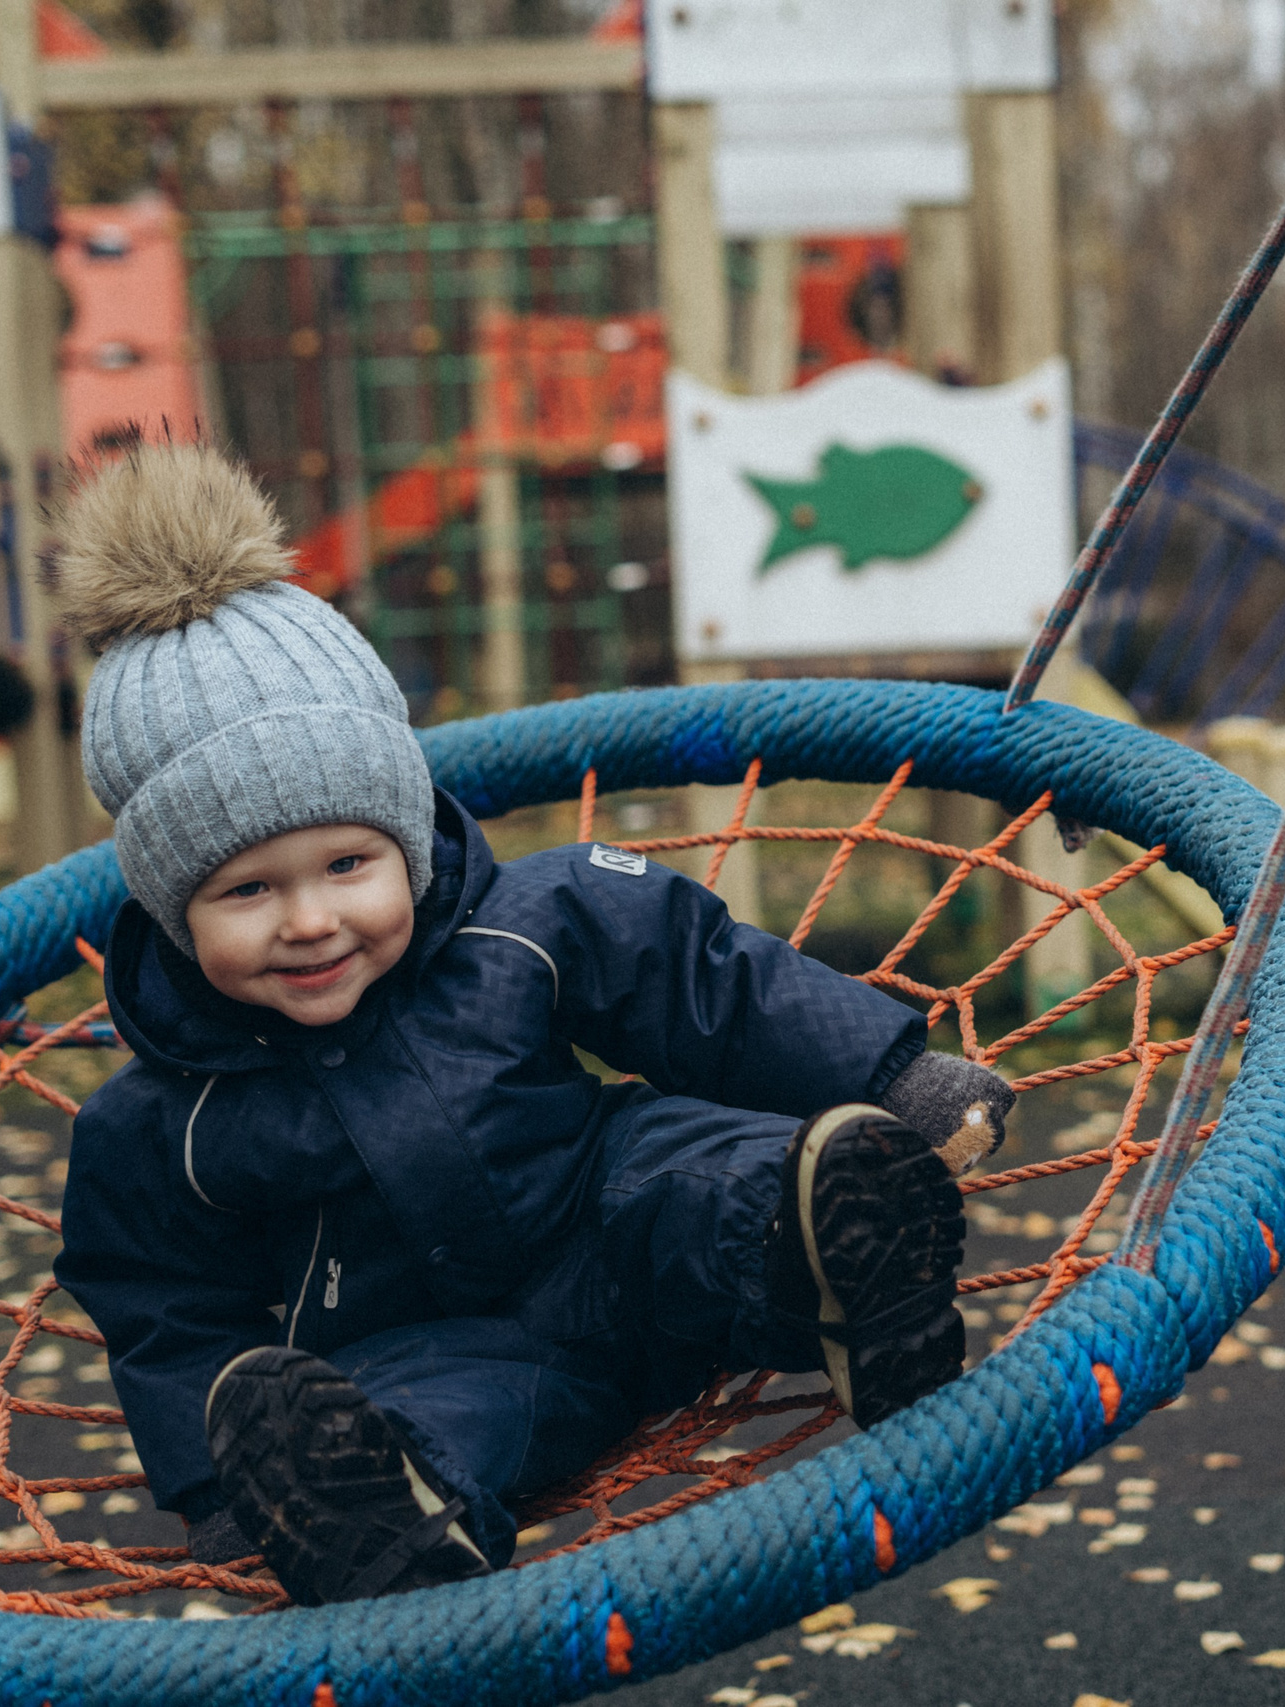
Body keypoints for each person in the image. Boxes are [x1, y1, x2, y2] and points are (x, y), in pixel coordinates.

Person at [49, 443, 1014, 1606]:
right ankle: (377, 1518)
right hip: (432, 1346)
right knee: (411, 1424)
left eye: (349, 864)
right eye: (246, 892)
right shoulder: (160, 1121)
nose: (311, 920)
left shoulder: (526, 922)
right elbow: (161, 1309)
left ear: (405, 839)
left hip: (606, 1217)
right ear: (169, 907)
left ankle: (851, 1275)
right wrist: (219, 1488)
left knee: (703, 1172)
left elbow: (708, 983)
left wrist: (895, 1075)